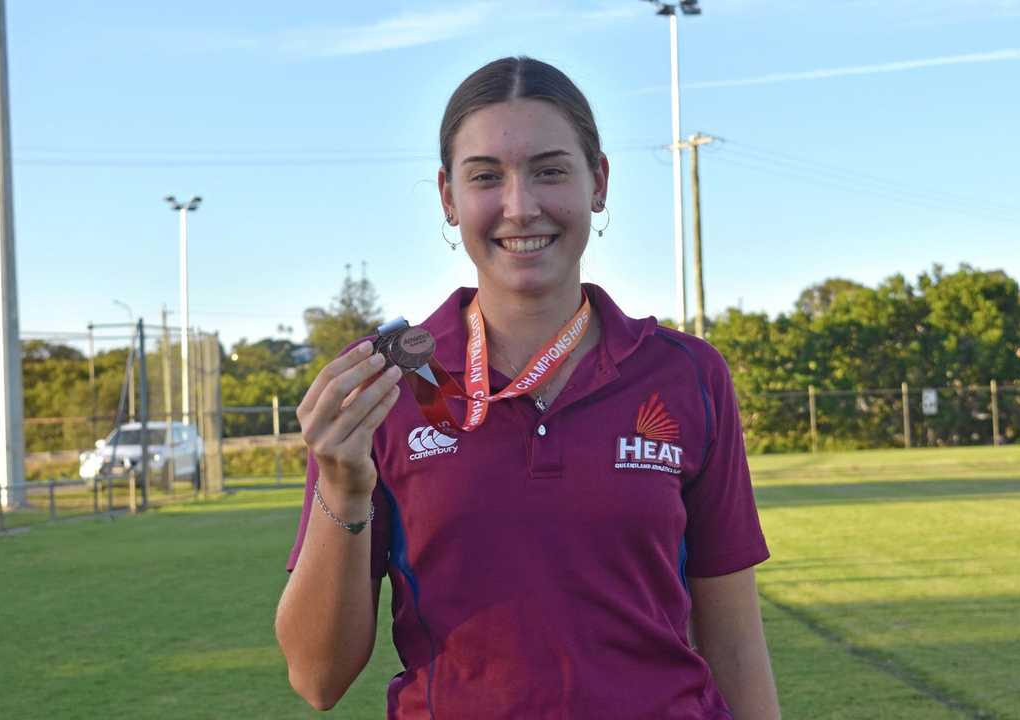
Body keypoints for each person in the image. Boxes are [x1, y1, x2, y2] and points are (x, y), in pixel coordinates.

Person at [275, 56, 780, 719]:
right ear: (448, 198)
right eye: (486, 176)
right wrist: (342, 487)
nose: (521, 206)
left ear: (598, 183)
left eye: (550, 170)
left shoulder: (686, 373)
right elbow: (318, 679)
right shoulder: (386, 378)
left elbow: (736, 639)